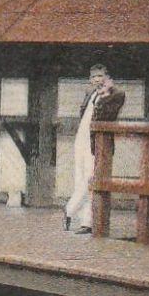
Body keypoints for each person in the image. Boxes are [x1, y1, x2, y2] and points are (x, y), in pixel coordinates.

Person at [64, 64, 127, 234]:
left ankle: (71, 210)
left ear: (107, 77)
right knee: (80, 177)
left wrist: (105, 94)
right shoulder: (89, 93)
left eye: (100, 76)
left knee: (91, 178)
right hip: (82, 139)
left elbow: (107, 115)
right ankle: (84, 221)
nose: (96, 80)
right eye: (93, 77)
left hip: (97, 142)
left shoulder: (117, 94)